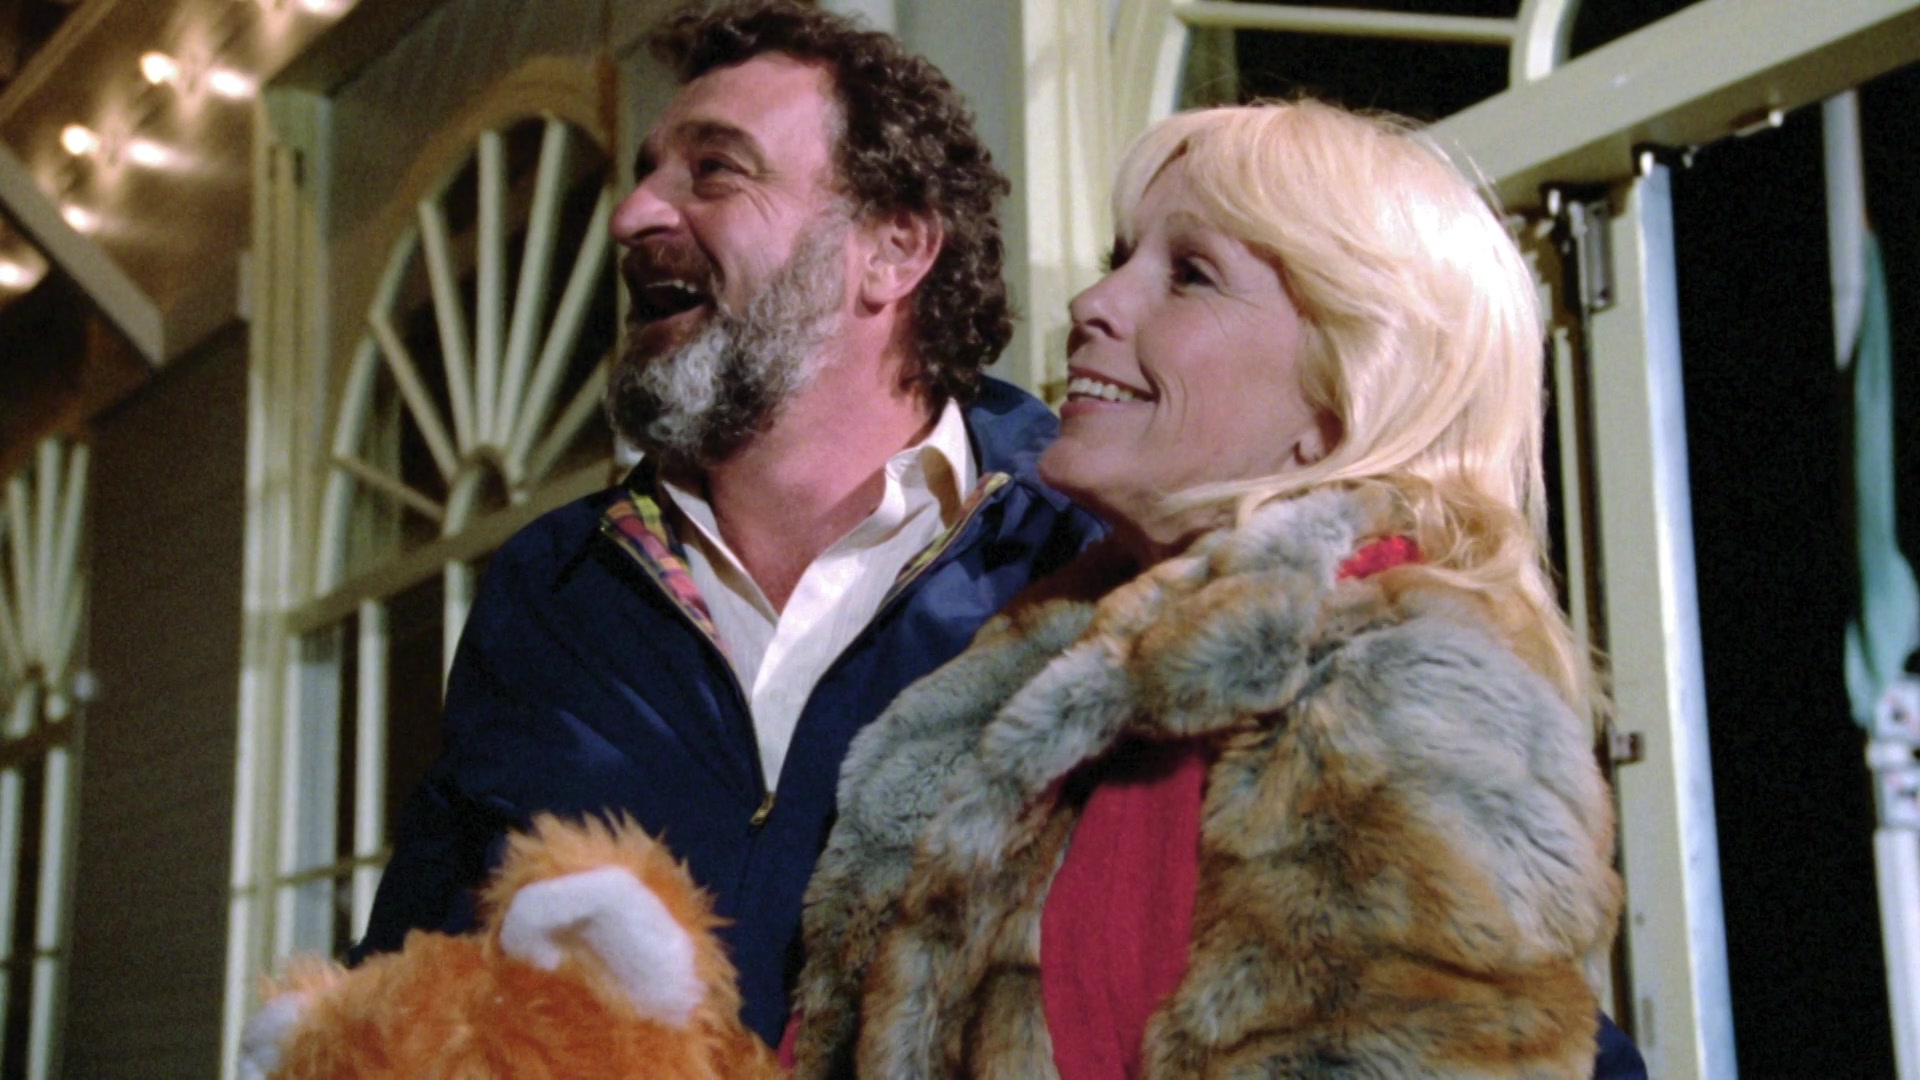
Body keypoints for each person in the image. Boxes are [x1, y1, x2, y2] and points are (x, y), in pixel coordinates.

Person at [793, 100, 1647, 1077]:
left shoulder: (1406, 693)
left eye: (1190, 273)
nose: (1093, 303)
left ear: (1344, 397)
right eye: (1121, 259)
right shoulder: (1032, 674)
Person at [352, 0, 1100, 1045]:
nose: (632, 216)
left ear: (892, 249)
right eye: (647, 172)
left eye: (715, 171)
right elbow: (411, 992)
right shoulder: (550, 587)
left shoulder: (1078, 558)